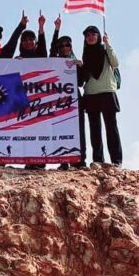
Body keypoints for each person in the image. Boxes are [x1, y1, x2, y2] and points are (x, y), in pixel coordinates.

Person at [80, 26, 122, 167]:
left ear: (98, 36)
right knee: (95, 130)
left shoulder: (105, 51)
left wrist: (108, 44)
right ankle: (98, 160)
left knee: (111, 128)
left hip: (107, 92)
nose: (90, 37)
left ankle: (116, 161)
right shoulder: (85, 54)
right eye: (87, 35)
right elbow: (82, 79)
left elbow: (115, 63)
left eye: (93, 34)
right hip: (91, 94)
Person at [51, 23, 87, 170]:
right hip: (59, 101)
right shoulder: (55, 62)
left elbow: (81, 82)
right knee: (61, 129)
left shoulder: (75, 62)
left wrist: (81, 67)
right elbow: (51, 49)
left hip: (74, 99)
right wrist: (56, 30)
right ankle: (64, 160)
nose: (65, 48)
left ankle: (80, 160)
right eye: (62, 46)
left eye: (68, 45)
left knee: (78, 129)